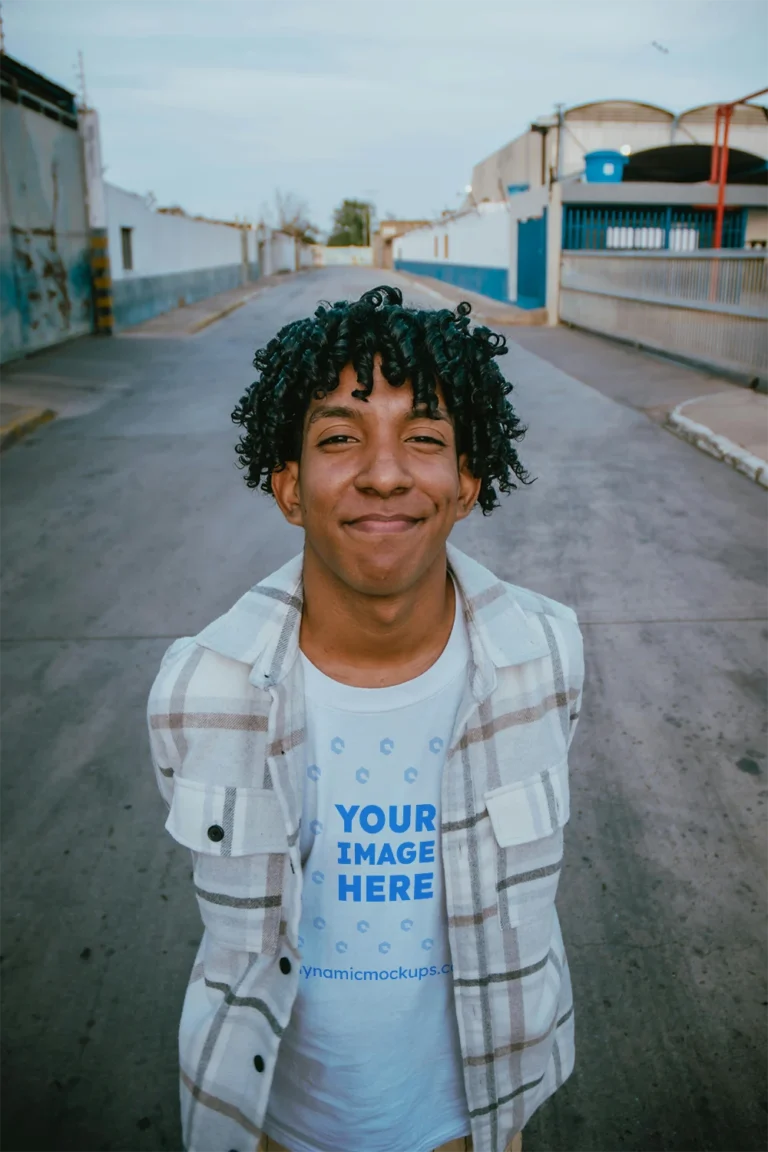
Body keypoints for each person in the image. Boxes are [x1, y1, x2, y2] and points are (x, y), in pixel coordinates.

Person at [148, 285, 585, 1152]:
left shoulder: (546, 655)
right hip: (269, 1127)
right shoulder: (201, 689)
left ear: (467, 482)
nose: (384, 472)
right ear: (288, 487)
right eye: (339, 438)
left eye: (423, 438)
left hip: (475, 1124)